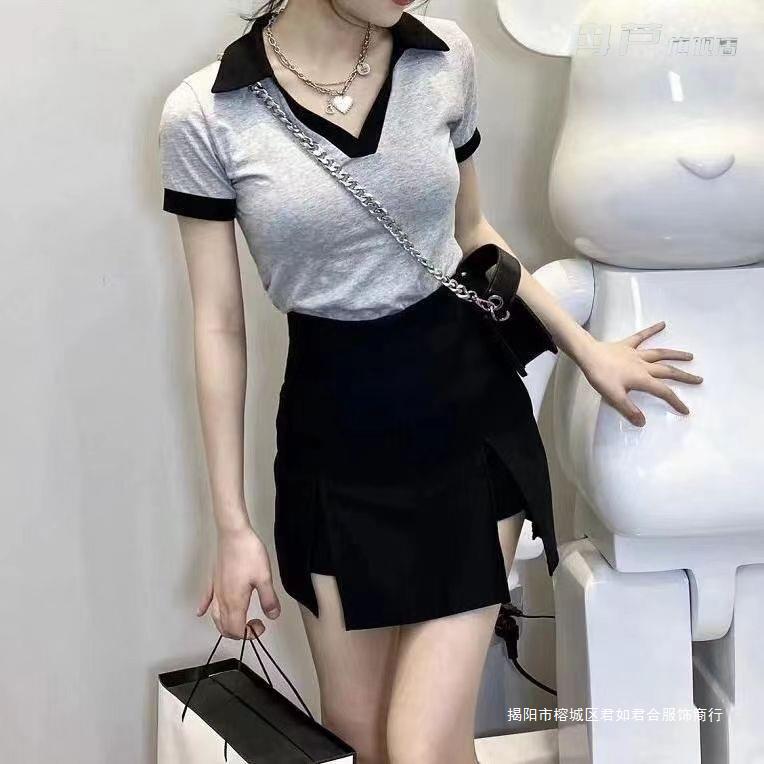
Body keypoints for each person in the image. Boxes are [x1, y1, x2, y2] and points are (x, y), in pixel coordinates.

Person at [157, 1, 703, 761]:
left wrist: (585, 348)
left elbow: (473, 234)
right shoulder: (206, 114)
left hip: (466, 417)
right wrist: (232, 526)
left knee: (422, 744)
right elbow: (219, 326)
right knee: (357, 737)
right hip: (333, 443)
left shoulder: (443, 55)